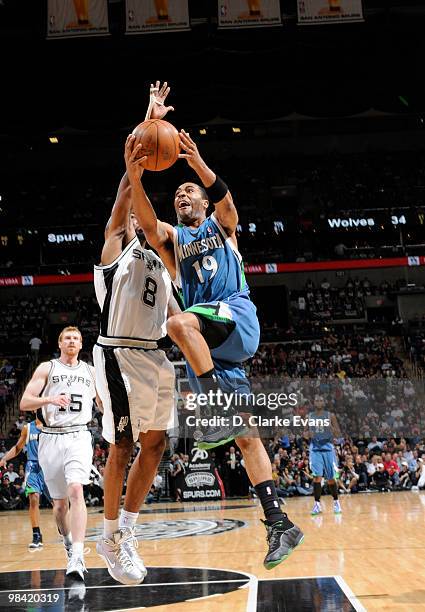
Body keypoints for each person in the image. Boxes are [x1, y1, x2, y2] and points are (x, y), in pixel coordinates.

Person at [125, 98, 304, 570]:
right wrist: (137, 170)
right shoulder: (173, 242)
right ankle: (279, 520)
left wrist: (196, 163)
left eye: (189, 191)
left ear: (204, 203)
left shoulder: (223, 228)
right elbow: (144, 221)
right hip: (219, 352)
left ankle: (213, 408)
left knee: (177, 322)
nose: (182, 195)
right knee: (247, 437)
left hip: (236, 316)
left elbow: (226, 199)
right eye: (178, 194)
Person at [94, 81, 180, 586]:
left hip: (154, 357)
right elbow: (126, 198)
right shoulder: (114, 250)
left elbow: (173, 311)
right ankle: (108, 536)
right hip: (118, 355)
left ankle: (127, 530)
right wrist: (145, 130)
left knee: (155, 446)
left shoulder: (163, 258)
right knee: (121, 447)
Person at [20, 326, 98, 582]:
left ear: (81, 343)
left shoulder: (91, 371)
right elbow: (24, 402)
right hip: (51, 438)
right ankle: (67, 540)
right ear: (60, 343)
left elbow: (103, 404)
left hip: (79, 435)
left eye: (76, 338)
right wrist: (49, 401)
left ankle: (77, 555)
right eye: (68, 338)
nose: (72, 341)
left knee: (76, 490)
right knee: (59, 506)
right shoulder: (47, 368)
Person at [0, 417, 51, 548]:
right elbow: (17, 448)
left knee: (58, 503)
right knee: (33, 498)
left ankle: (64, 532)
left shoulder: (53, 425)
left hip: (50, 466)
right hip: (33, 467)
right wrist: (4, 458)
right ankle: (36, 535)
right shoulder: (28, 428)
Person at [307, 395, 342, 515]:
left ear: (324, 403)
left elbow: (338, 433)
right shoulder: (309, 416)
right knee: (317, 476)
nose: (318, 402)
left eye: (321, 400)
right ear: (314, 402)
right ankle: (317, 504)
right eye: (316, 400)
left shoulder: (330, 415)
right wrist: (308, 434)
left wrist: (330, 427)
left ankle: (336, 502)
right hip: (315, 449)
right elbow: (305, 433)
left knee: (331, 479)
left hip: (327, 448)